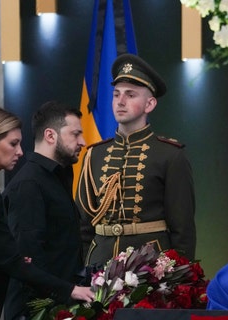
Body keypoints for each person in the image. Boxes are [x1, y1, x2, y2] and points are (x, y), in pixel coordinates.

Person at [0, 106, 92, 320]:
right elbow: (7, 260)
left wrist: (15, 258)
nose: (20, 152)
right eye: (13, 143)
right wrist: (70, 290)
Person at [75, 53, 196, 268]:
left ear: (149, 104)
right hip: (99, 262)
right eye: (116, 94)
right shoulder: (95, 154)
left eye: (130, 95)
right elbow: (82, 224)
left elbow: (182, 230)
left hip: (151, 265)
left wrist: (179, 278)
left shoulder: (170, 155)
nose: (120, 101)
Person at [3, 101, 87, 320]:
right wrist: (69, 291)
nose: (83, 142)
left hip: (58, 305)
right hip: (36, 311)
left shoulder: (57, 177)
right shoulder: (29, 184)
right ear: (51, 135)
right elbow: (28, 259)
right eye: (75, 134)